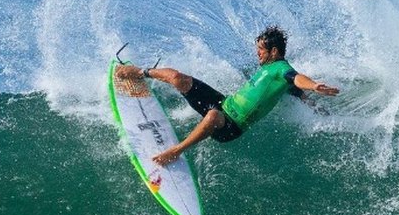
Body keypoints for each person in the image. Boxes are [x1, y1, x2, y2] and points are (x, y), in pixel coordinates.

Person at [116, 26, 339, 166]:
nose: (257, 53)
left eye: (261, 49)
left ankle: (176, 151)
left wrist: (314, 85)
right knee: (177, 77)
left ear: (274, 51)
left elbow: (297, 79)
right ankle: (138, 72)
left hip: (232, 126)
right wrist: (312, 103)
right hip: (223, 103)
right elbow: (296, 92)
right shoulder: (267, 70)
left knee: (213, 117)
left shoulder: (281, 69)